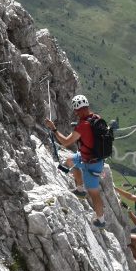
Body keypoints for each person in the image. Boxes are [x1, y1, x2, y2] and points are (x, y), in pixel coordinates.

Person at [45, 94, 108, 227]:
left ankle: (101, 221)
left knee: (94, 194)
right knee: (70, 160)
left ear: (78, 110)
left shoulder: (83, 125)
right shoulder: (96, 118)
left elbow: (65, 142)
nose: (76, 113)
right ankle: (80, 189)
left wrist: (54, 129)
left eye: (76, 111)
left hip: (91, 163)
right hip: (91, 157)